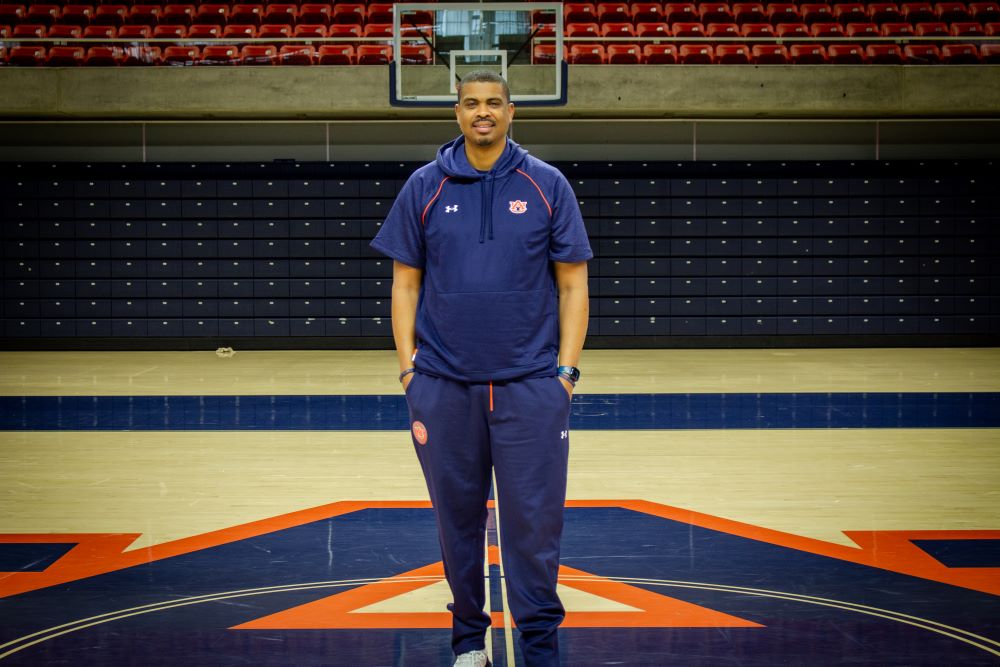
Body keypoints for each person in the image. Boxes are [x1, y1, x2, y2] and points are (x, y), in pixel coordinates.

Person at [370, 70, 591, 667]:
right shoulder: (424, 186)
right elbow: (403, 285)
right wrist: (408, 371)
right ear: (457, 114)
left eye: (494, 103)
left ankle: (538, 647)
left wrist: (565, 375)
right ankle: (470, 642)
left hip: (529, 389)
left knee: (534, 528)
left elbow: (574, 286)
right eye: (472, 104)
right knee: (457, 524)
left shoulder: (547, 184)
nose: (483, 112)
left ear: (512, 111)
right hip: (443, 387)